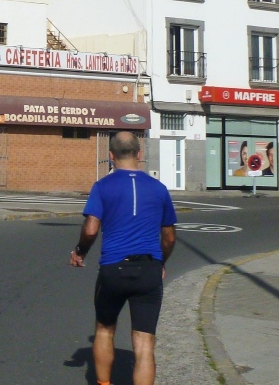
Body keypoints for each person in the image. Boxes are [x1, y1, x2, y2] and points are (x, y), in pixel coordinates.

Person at [69, 131, 177, 385]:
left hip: (113, 269)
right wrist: (160, 263)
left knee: (105, 330)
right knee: (144, 341)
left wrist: (79, 252)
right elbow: (170, 237)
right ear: (140, 154)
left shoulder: (102, 186)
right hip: (148, 270)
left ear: (111, 156)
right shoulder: (159, 189)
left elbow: (91, 229)